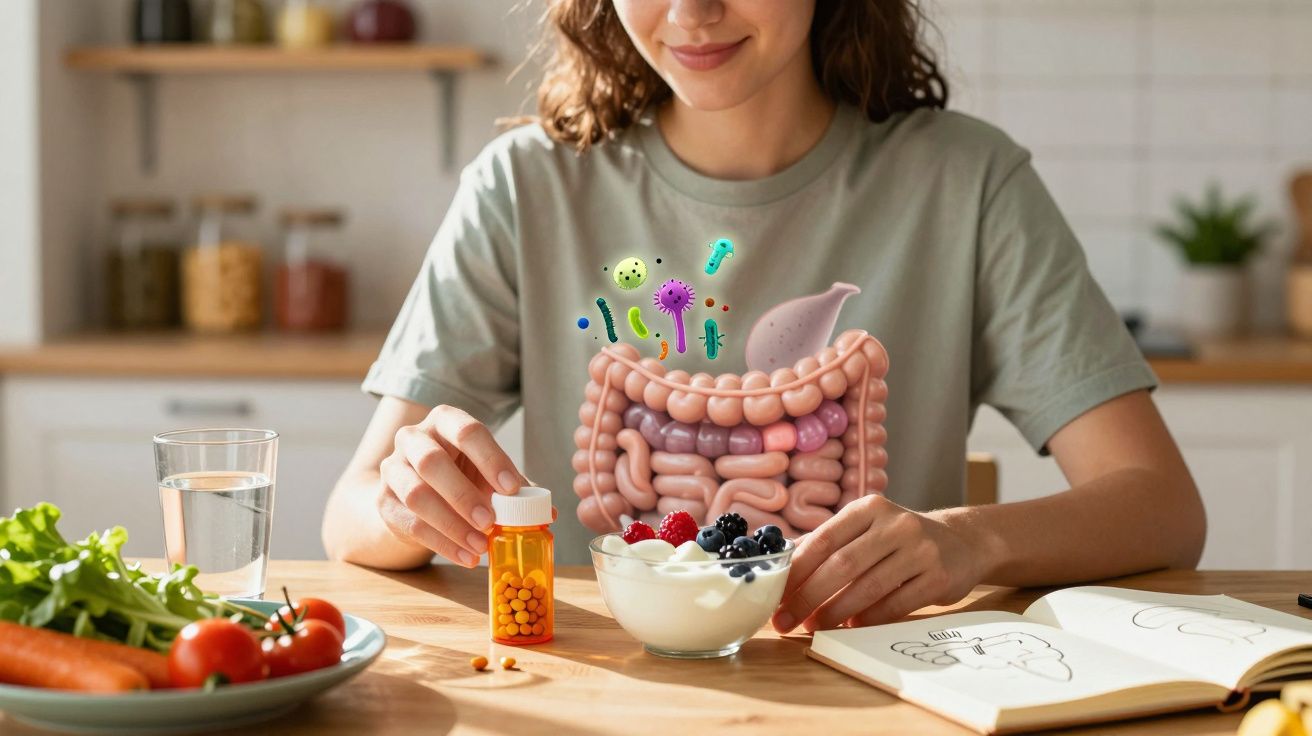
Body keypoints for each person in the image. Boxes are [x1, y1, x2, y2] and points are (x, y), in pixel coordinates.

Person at [323, 0, 1206, 634]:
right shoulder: (522, 188)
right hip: (604, 692)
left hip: (876, 694)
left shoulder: (968, 185)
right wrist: (407, 498)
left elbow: (1162, 506)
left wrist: (969, 542)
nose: (692, 10)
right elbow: (349, 514)